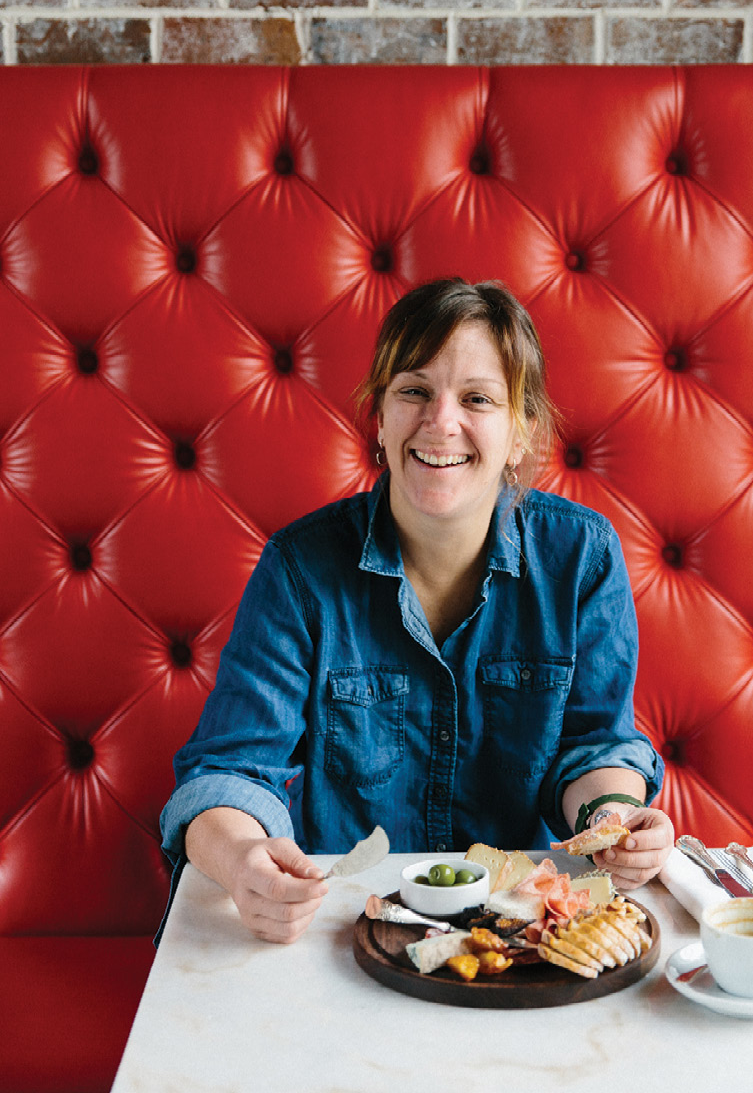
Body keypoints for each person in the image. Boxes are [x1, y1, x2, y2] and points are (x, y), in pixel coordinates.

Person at [160, 278, 674, 944]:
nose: (441, 421)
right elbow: (230, 772)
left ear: (520, 432)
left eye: (477, 399)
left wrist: (613, 820)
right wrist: (242, 862)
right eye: (414, 391)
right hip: (344, 927)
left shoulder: (581, 557)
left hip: (522, 933)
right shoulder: (299, 568)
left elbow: (594, 747)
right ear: (380, 417)